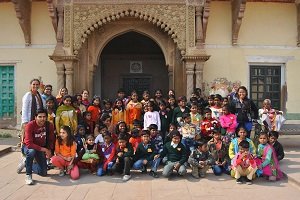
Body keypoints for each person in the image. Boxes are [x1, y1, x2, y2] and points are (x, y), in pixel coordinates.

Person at [22, 109, 55, 185]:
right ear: (35, 117)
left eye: (44, 117)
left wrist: (49, 150)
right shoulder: (30, 125)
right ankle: (28, 175)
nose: (42, 119)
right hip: (27, 147)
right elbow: (29, 144)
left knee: (43, 172)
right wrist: (45, 150)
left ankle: (26, 162)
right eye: (40, 117)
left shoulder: (49, 125)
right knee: (31, 151)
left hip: (40, 148)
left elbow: (51, 140)